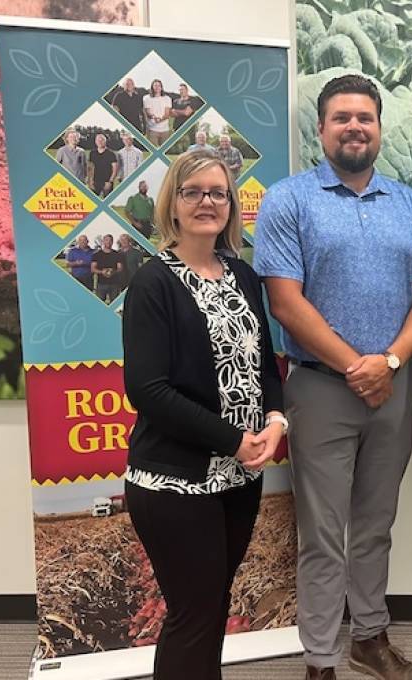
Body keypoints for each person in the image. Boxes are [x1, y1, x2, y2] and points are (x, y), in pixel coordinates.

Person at [254, 74, 412, 680]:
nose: (354, 126)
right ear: (321, 129)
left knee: (375, 524)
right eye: (342, 118)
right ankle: (319, 661)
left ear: (380, 127)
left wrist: (386, 363)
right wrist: (355, 366)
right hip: (318, 388)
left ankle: (369, 637)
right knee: (322, 532)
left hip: (393, 387)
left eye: (365, 117)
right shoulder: (289, 200)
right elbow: (285, 301)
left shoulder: (411, 204)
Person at [123, 149, 285, 680]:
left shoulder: (243, 275)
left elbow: (263, 366)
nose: (207, 202)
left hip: (239, 478)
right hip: (175, 480)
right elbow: (148, 390)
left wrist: (277, 422)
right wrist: (234, 438)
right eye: (193, 192)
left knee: (213, 606)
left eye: (218, 192)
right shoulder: (153, 282)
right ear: (173, 204)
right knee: (193, 614)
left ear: (232, 205)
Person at [91, 233, 122, 303]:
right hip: (101, 284)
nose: (108, 242)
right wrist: (102, 272)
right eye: (106, 240)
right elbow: (93, 269)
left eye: (110, 240)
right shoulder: (96, 254)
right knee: (99, 304)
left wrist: (113, 271)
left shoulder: (117, 254)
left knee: (114, 303)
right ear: (103, 241)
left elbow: (120, 268)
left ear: (112, 242)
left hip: (114, 284)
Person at [143, 79, 172, 146]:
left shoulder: (167, 98)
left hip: (165, 130)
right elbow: (148, 113)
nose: (157, 87)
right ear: (152, 87)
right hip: (152, 130)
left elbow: (167, 114)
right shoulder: (147, 98)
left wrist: (161, 119)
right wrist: (154, 117)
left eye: (159, 86)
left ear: (161, 87)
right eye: (155, 85)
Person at [88, 133, 118, 198]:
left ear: (105, 141)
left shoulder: (111, 153)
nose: (100, 142)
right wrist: (90, 181)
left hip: (107, 182)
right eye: (98, 140)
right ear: (95, 142)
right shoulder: (92, 153)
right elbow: (90, 168)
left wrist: (110, 182)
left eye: (102, 140)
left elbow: (115, 170)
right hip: (95, 182)